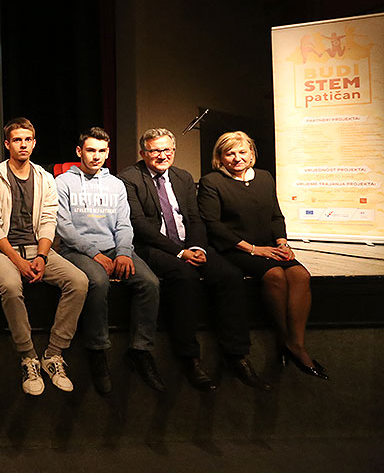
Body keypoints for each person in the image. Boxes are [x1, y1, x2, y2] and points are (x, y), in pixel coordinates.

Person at [119, 128, 269, 391]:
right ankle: (189, 357)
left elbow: (195, 218)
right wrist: (179, 253)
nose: (162, 155)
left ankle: (236, 354)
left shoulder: (183, 177)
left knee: (229, 275)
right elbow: (140, 225)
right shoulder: (129, 178)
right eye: (155, 150)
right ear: (143, 153)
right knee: (185, 277)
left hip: (190, 244)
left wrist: (197, 247)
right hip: (152, 247)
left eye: (167, 150)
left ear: (174, 151)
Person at [198, 131, 327, 379]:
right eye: (230, 153)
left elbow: (275, 216)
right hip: (235, 248)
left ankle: (296, 344)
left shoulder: (265, 177)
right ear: (220, 157)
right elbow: (213, 225)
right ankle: (283, 338)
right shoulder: (211, 182)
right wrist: (253, 249)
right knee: (275, 275)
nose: (237, 158)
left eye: (242, 152)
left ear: (251, 154)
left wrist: (282, 243)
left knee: (300, 275)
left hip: (269, 245)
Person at [0, 118, 88, 395]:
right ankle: (28, 357)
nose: (23, 144)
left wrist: (41, 256)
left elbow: (49, 220)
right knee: (11, 286)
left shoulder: (44, 178)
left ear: (34, 143)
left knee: (79, 281)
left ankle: (53, 354)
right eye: (17, 140)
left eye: (27, 139)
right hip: (0, 249)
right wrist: (18, 261)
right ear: (7, 144)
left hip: (37, 249)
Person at [55, 127, 164, 395]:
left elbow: (124, 224)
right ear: (79, 151)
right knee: (98, 281)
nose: (96, 156)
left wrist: (124, 252)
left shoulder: (115, 184)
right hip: (77, 251)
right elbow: (64, 227)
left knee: (149, 283)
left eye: (102, 151)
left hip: (115, 248)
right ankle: (97, 350)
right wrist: (94, 253)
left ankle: (140, 350)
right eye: (91, 150)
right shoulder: (62, 182)